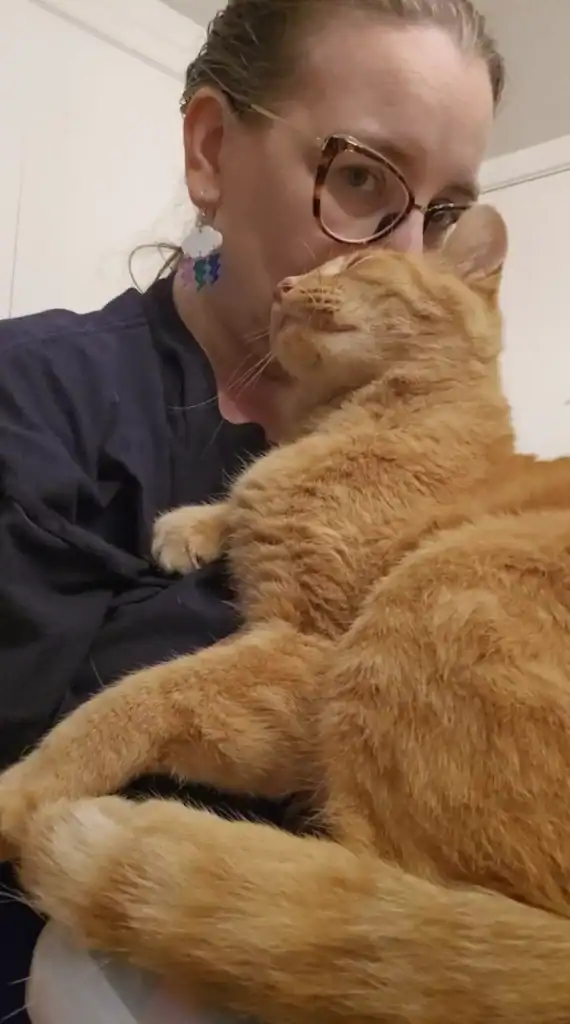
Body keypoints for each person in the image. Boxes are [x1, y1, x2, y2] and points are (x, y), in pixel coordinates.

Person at [0, 0, 503, 1019]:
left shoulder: (435, 458)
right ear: (210, 152)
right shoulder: (39, 394)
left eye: (445, 214)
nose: (411, 257)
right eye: (361, 178)